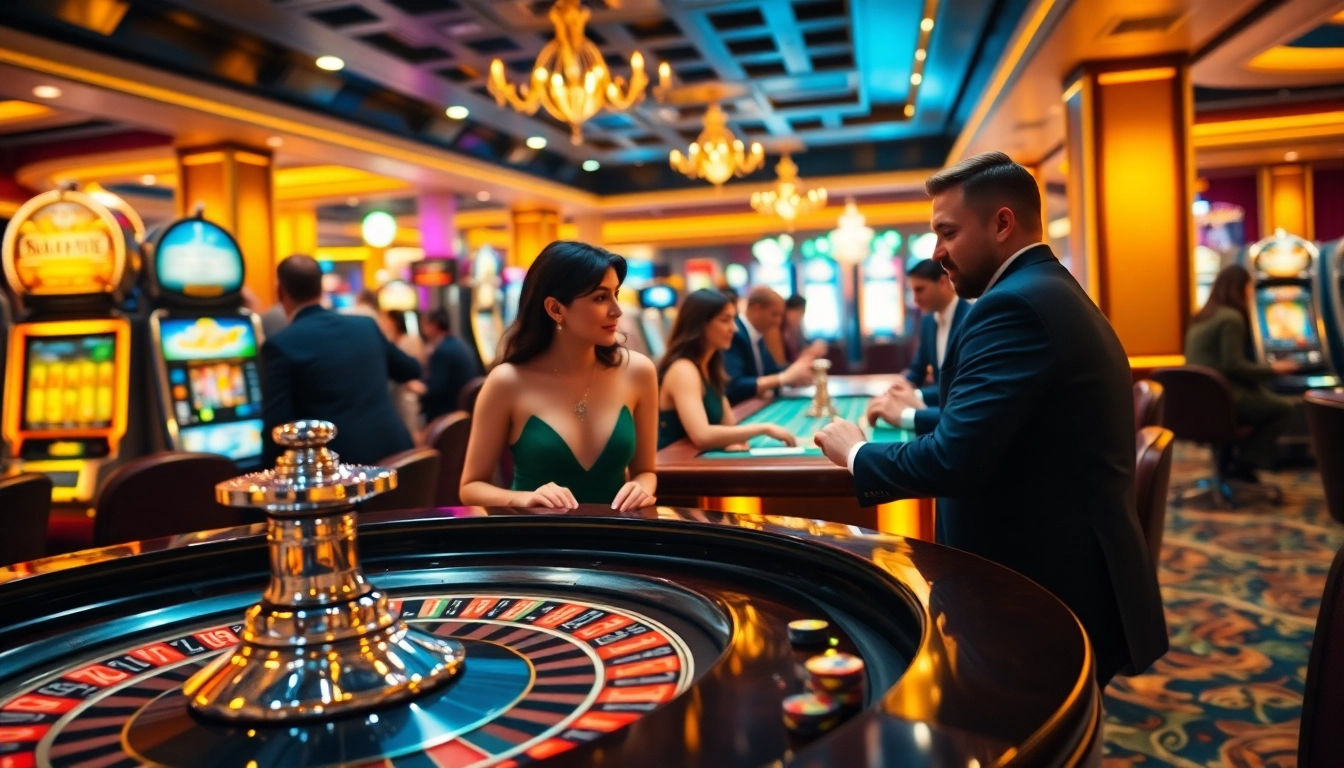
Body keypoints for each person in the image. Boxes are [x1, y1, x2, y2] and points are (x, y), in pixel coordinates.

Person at [815, 151, 1168, 686]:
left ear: (1002, 223)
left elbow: (955, 458)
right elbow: (995, 426)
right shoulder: (1041, 289)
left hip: (1042, 582)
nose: (938, 255)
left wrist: (856, 451)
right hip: (1061, 565)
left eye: (948, 233)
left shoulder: (1014, 306)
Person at [459, 241, 658, 511]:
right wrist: (522, 498)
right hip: (539, 541)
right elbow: (471, 487)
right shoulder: (506, 381)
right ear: (555, 309)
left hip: (617, 540)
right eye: (600, 297)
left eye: (616, 294)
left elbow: (646, 471)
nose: (617, 310)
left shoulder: (638, 372)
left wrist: (642, 487)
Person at [260, 255, 422, 466]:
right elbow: (411, 369)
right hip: (398, 458)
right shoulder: (366, 326)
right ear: (320, 287)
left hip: (338, 474)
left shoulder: (280, 345)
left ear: (280, 291)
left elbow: (277, 428)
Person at [1184, 264, 1295, 479]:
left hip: (1197, 401)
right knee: (1285, 408)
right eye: (1250, 286)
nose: (1252, 292)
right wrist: (1274, 369)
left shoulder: (1202, 316)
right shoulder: (1231, 318)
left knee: (1262, 399)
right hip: (1222, 397)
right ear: (1240, 288)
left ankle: (1228, 459)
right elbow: (1233, 365)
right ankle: (1246, 463)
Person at [657, 289, 799, 450]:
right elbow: (702, 436)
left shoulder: (711, 367)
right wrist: (764, 428)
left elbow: (728, 426)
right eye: (725, 320)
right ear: (700, 324)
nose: (734, 328)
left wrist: (731, 440)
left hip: (697, 464)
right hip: (673, 468)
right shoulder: (683, 370)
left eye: (733, 320)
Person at [868, 258, 971, 434]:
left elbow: (960, 390)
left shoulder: (971, 319)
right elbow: (917, 371)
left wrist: (914, 398)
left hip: (959, 420)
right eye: (912, 291)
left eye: (920, 290)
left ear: (943, 282)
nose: (915, 300)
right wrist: (895, 392)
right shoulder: (927, 321)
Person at [723, 286, 823, 406]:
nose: (778, 321)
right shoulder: (736, 335)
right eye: (775, 314)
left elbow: (771, 372)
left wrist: (797, 373)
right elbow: (735, 386)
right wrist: (784, 378)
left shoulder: (757, 336)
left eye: (781, 316)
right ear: (756, 309)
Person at [420, 308, 481, 423]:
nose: (422, 330)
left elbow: (435, 391)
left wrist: (417, 388)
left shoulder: (442, 351)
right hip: (466, 411)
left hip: (448, 414)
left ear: (434, 326)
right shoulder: (461, 344)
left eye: (424, 325)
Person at [386, 310, 427, 436]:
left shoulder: (411, 340)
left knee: (411, 428)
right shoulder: (390, 341)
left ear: (393, 322)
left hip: (408, 391)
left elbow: (419, 365)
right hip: (395, 392)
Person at [781, 294, 808, 363]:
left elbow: (802, 349)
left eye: (801, 313)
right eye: (796, 311)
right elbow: (783, 364)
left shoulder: (798, 330)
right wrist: (809, 353)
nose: (798, 316)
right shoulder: (779, 331)